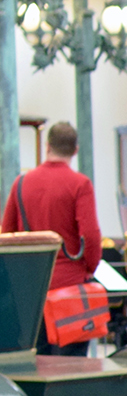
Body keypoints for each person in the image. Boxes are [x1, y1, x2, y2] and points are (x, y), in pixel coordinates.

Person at [3, 120, 101, 354]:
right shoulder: (80, 184)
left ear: (47, 146)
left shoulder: (21, 183)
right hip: (70, 289)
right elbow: (90, 234)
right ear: (75, 150)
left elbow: (6, 235)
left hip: (31, 290)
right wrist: (89, 267)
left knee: (36, 361)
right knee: (71, 365)